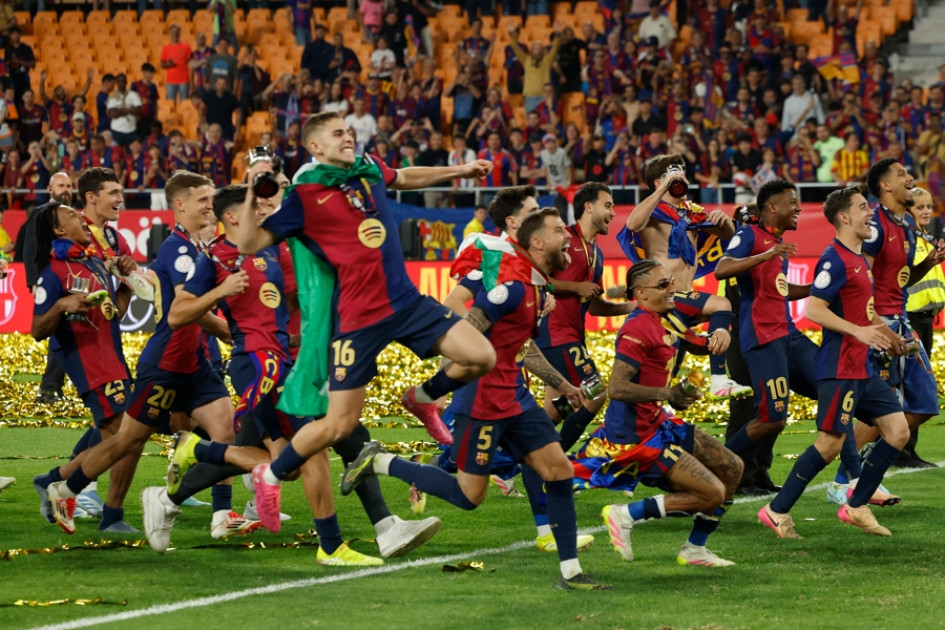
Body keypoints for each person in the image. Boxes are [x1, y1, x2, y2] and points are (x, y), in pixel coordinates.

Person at [144, 183, 440, 562]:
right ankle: (341, 543)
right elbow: (177, 313)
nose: (267, 212)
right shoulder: (216, 258)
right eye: (259, 207)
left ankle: (184, 470)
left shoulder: (275, 250)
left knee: (288, 460)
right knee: (319, 442)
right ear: (233, 216)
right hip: (255, 362)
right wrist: (221, 293)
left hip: (288, 361)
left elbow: (311, 285)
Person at [232, 111, 497, 532]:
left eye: (349, 131)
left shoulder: (368, 168)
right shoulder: (304, 194)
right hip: (357, 320)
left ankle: (422, 397)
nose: (348, 137)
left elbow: (406, 178)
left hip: (407, 303)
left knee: (481, 354)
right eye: (337, 133)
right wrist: (251, 192)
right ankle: (271, 472)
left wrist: (461, 169)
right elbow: (248, 242)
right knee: (339, 424)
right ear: (315, 146)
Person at [341, 209, 611, 591]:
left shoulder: (535, 287)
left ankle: (571, 572)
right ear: (536, 243)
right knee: (470, 496)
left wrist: (563, 383)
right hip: (483, 401)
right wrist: (433, 390)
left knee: (559, 470)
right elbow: (466, 334)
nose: (566, 237)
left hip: (515, 399)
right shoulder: (510, 287)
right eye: (557, 232)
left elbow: (521, 346)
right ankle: (380, 461)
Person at [44, 171, 243, 538]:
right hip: (166, 364)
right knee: (126, 440)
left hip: (195, 362)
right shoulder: (178, 249)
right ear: (179, 204)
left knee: (224, 427)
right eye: (203, 199)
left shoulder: (199, 246)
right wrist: (233, 330)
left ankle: (222, 516)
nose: (210, 205)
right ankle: (64, 488)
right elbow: (185, 310)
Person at [758, 187, 909, 539]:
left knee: (898, 430)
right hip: (838, 367)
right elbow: (814, 309)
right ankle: (776, 510)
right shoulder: (834, 258)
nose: (870, 212)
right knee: (829, 445)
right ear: (844, 217)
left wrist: (891, 338)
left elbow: (867, 312)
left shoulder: (859, 259)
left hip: (862, 368)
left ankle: (856, 505)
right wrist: (857, 331)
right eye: (862, 208)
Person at [573, 259, 743, 567]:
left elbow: (695, 342)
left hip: (658, 421)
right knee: (713, 493)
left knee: (733, 467)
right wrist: (668, 393)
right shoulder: (637, 328)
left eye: (671, 282)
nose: (672, 288)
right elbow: (617, 388)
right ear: (640, 293)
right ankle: (625, 514)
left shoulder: (667, 317)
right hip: (636, 435)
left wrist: (717, 338)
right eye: (663, 285)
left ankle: (694, 550)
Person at [29, 203, 140, 533]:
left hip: (114, 359)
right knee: (127, 439)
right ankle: (106, 513)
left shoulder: (92, 262)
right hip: (90, 365)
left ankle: (55, 480)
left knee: (121, 440)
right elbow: (37, 330)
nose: (82, 217)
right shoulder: (52, 273)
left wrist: (125, 283)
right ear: (60, 230)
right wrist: (62, 305)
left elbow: (116, 311)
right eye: (73, 216)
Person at [714, 180, 819, 491]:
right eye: (792, 202)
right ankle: (720, 467)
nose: (799, 207)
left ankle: (759, 473)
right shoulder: (749, 236)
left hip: (787, 333)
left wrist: (820, 288)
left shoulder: (776, 244)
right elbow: (722, 268)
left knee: (830, 385)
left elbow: (781, 291)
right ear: (773, 207)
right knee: (768, 414)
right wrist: (765, 255)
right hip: (761, 336)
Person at [622, 153, 748, 399]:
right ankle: (719, 379)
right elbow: (632, 225)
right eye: (673, 174)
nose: (681, 178)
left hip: (683, 298)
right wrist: (662, 190)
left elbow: (727, 236)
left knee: (670, 366)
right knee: (722, 303)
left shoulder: (693, 212)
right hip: (664, 296)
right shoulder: (652, 210)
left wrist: (725, 222)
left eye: (682, 173)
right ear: (658, 182)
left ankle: (712, 379)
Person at [849, 158, 945, 469]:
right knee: (883, 404)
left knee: (926, 403)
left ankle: (866, 459)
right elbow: (861, 281)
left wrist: (927, 265)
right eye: (901, 174)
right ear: (885, 185)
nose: (910, 177)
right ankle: (846, 471)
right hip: (881, 325)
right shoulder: (874, 227)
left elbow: (899, 279)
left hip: (901, 321)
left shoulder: (905, 227)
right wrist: (877, 328)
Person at [536, 182, 634, 451]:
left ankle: (506, 461)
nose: (613, 213)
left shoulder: (597, 254)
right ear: (588, 207)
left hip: (570, 336)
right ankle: (555, 461)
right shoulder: (563, 238)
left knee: (555, 411)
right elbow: (538, 278)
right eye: (608, 205)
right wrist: (576, 287)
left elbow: (594, 306)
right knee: (595, 392)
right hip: (554, 332)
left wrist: (631, 308)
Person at [905, 187, 945, 358]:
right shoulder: (906, 240)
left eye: (929, 207)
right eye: (920, 208)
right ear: (907, 211)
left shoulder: (927, 239)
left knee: (923, 367)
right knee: (914, 370)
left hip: (926, 317)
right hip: (910, 319)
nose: (928, 211)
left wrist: (933, 307)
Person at [105, 74, 142, 149]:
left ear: (126, 82)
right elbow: (110, 114)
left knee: (131, 154)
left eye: (123, 81)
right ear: (116, 82)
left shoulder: (133, 94)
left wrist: (122, 110)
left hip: (131, 130)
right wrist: (129, 110)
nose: (121, 82)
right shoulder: (112, 96)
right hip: (117, 130)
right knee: (116, 153)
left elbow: (138, 109)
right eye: (119, 81)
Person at [161, 25, 192, 103]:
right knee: (171, 104)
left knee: (184, 103)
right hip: (170, 81)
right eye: (173, 32)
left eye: (177, 32)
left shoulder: (186, 47)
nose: (175, 34)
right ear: (170, 34)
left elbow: (190, 63)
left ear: (180, 33)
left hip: (184, 80)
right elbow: (162, 64)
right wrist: (169, 64)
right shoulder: (165, 48)